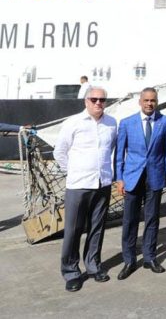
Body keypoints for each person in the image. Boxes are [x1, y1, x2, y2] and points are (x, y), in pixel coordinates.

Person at [53, 86, 117, 292]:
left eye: (102, 99)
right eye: (94, 99)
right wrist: (74, 172)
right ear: (86, 101)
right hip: (79, 184)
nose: (98, 103)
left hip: (103, 183)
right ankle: (71, 272)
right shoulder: (73, 123)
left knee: (97, 228)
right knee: (73, 230)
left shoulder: (111, 123)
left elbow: (112, 150)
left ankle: (93, 266)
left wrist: (111, 172)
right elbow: (60, 152)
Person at [114, 87, 166, 280]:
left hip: (155, 178)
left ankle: (149, 257)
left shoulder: (165, 122)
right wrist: (120, 178)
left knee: (152, 219)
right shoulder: (126, 123)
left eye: (153, 101)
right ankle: (129, 260)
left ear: (157, 102)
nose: (149, 104)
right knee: (129, 220)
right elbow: (119, 155)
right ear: (140, 101)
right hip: (132, 178)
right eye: (146, 100)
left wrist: (165, 172)